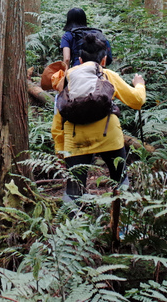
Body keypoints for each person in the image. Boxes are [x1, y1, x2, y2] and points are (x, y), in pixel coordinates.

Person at [51, 30, 145, 205]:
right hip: (108, 134)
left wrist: (60, 149)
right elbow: (137, 101)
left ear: (80, 60)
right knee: (120, 181)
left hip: (75, 138)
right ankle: (121, 225)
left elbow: (59, 117)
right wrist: (139, 85)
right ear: (103, 60)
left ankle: (72, 227)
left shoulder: (66, 78)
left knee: (74, 189)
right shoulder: (107, 75)